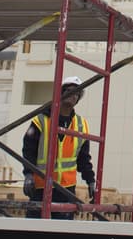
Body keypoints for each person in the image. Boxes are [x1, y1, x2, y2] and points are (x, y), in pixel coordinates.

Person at [21, 75, 94, 220]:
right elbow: (28, 150)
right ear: (61, 93)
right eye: (69, 91)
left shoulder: (82, 125)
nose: (73, 95)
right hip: (41, 187)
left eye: (77, 93)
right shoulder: (41, 120)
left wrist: (90, 180)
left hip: (66, 190)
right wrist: (28, 174)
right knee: (34, 230)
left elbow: (84, 159)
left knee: (61, 233)